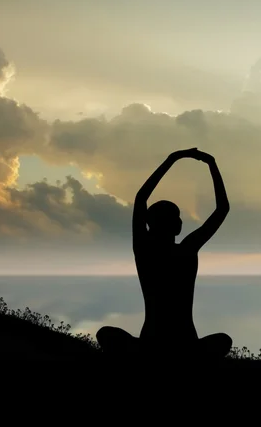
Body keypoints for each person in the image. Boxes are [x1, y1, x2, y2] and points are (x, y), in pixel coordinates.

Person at [96, 147, 233, 364]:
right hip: (186, 346)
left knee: (106, 334)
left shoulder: (144, 248)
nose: (179, 221)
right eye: (176, 217)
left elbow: (141, 199)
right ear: (177, 226)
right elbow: (222, 209)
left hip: (150, 345)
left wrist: (173, 158)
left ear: (149, 224)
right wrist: (211, 164)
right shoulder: (186, 249)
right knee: (222, 341)